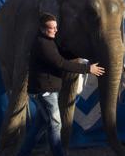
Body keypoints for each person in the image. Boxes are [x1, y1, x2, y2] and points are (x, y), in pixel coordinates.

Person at [18, 13, 105, 156]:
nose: (56, 30)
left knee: (38, 128)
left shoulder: (48, 41)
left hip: (47, 89)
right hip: (44, 91)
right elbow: (60, 63)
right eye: (52, 28)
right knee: (55, 123)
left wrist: (82, 54)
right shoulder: (42, 44)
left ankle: (22, 153)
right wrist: (88, 69)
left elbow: (60, 55)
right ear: (42, 29)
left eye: (56, 27)